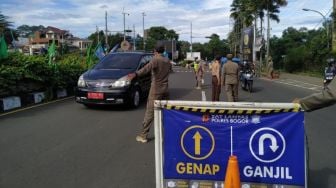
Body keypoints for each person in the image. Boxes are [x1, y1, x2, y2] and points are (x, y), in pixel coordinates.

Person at [128, 44, 172, 143]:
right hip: (166, 89)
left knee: (150, 112)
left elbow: (146, 69)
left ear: (155, 51)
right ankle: (169, 133)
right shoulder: (167, 60)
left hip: (156, 89)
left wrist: (135, 74)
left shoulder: (156, 59)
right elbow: (169, 71)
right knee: (166, 112)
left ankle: (143, 135)